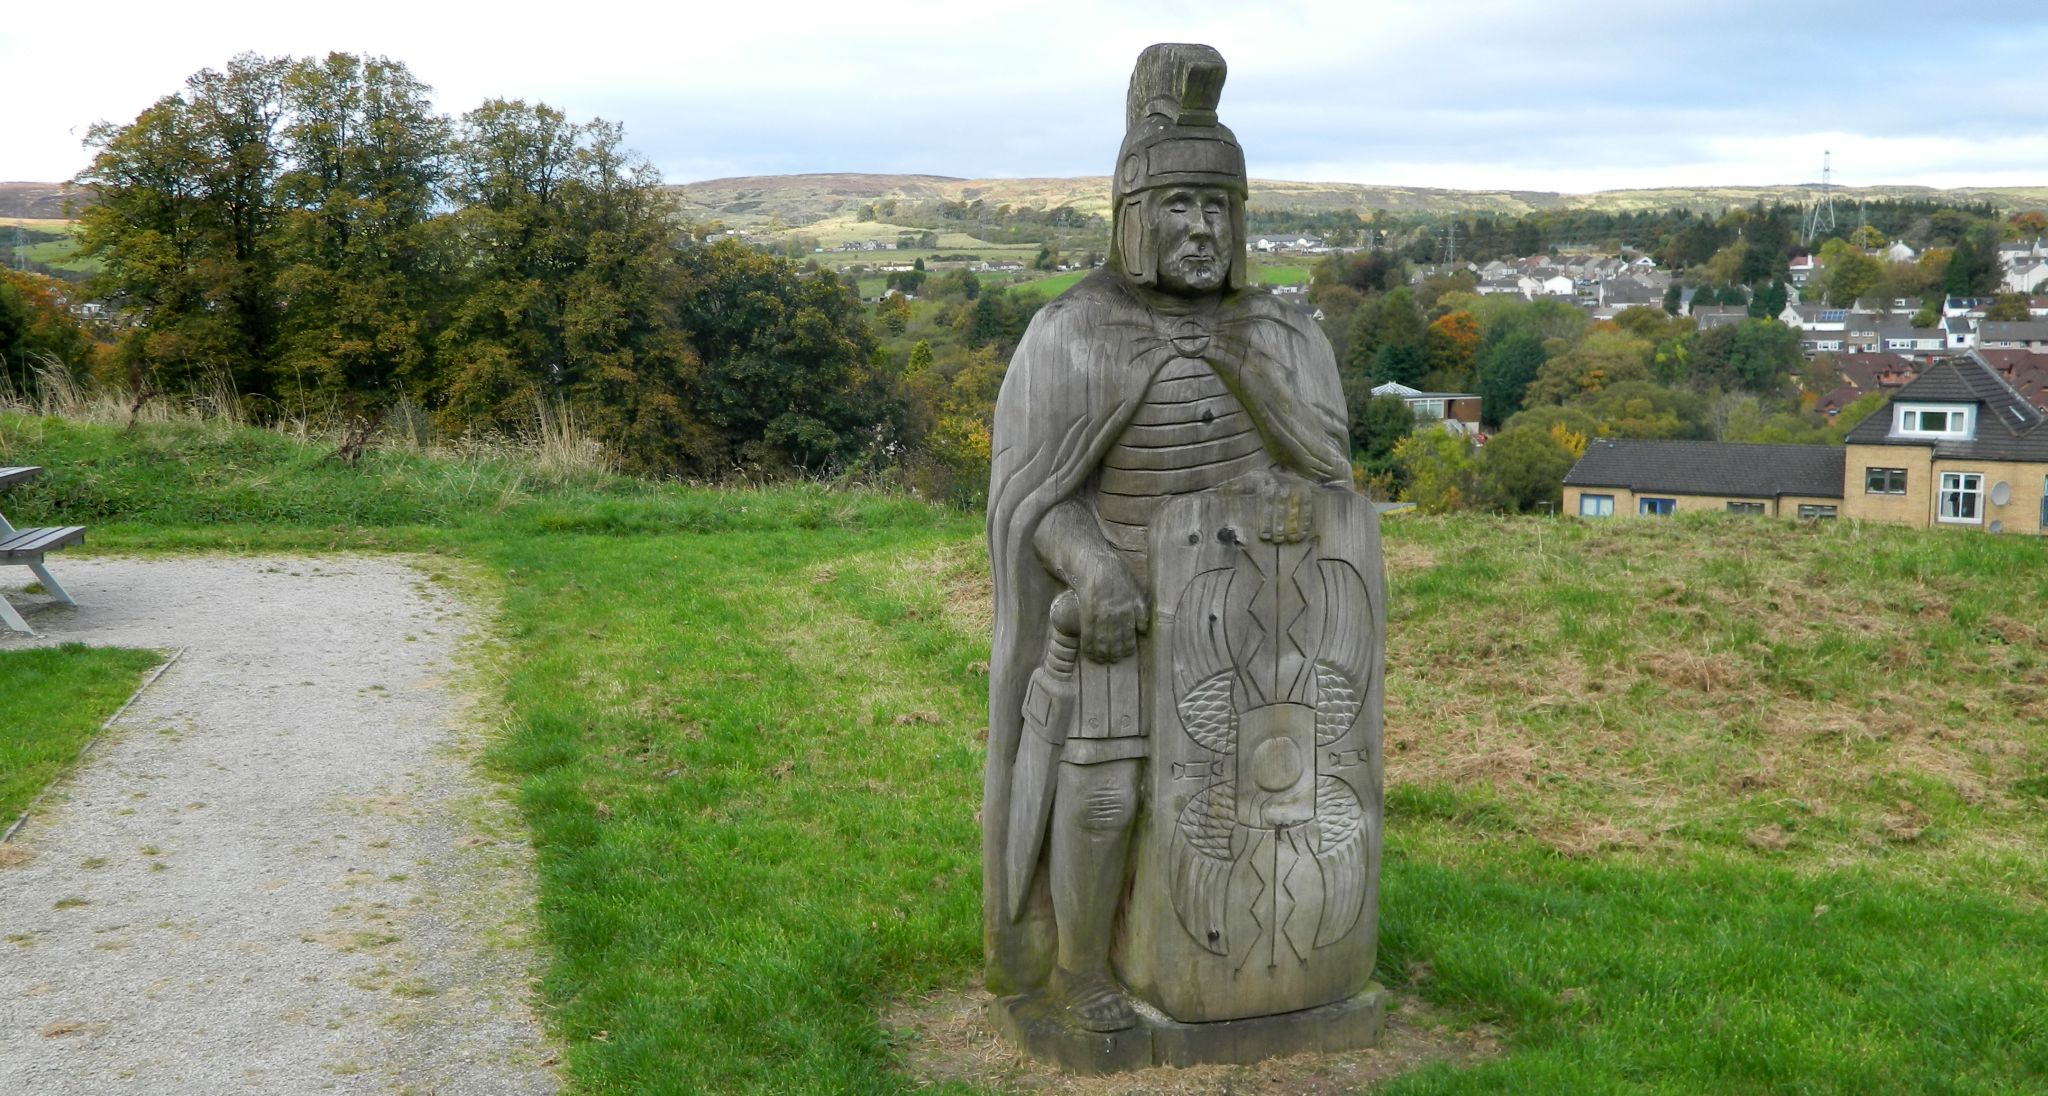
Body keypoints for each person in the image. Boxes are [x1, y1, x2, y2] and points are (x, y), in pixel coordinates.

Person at [982, 43, 1353, 1032]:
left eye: (1217, 209)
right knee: (1103, 791)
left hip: (1242, 618)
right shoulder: (1074, 332)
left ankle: (1255, 962)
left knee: (1257, 794)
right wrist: (1090, 563)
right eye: (1179, 207)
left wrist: (1287, 495)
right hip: (1115, 614)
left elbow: (1324, 478)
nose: (1200, 228)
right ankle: (1076, 971)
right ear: (1134, 220)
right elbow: (1037, 497)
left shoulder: (1276, 333)